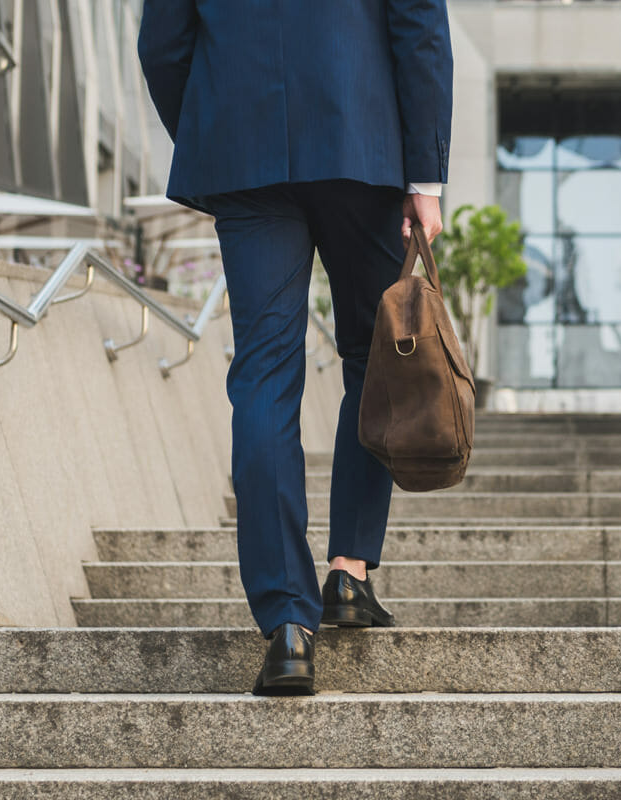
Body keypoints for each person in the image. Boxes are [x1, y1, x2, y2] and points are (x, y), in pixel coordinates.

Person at [137, 0, 453, 696]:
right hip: (359, 140)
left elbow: (163, 42)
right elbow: (419, 26)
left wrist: (216, 124)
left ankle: (286, 622)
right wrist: (426, 180)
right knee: (379, 358)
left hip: (243, 147)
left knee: (263, 374)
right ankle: (348, 571)